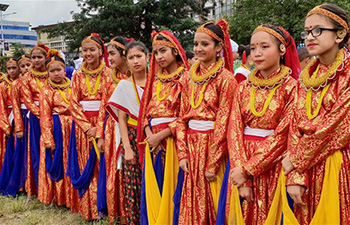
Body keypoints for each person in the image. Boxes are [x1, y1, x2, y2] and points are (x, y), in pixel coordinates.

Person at [282, 3, 350, 224]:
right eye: (307, 31)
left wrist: (295, 160)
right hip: (307, 170)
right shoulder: (307, 77)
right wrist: (295, 175)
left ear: (340, 34)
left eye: (318, 30)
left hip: (340, 167)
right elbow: (295, 126)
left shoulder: (347, 73)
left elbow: (337, 127)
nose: (310, 37)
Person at [227, 24, 300, 225]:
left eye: (264, 47)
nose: (257, 53)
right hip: (241, 165)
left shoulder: (292, 88)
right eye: (253, 48)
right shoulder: (242, 88)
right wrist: (242, 175)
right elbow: (233, 131)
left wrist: (247, 170)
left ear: (282, 50)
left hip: (274, 167)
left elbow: (283, 135)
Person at [175, 19, 237, 225]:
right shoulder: (187, 78)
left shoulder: (226, 79)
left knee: (213, 196)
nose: (198, 49)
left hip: (213, 146)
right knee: (190, 197)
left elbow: (224, 122)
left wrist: (213, 162)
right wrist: (182, 153)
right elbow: (181, 118)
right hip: (191, 146)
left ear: (219, 47)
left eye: (205, 44)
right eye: (195, 44)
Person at [138, 30, 189, 224]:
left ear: (175, 51)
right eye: (156, 52)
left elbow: (185, 115)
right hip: (152, 141)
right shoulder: (155, 79)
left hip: (174, 142)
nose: (159, 56)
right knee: (156, 186)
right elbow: (145, 112)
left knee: (174, 186)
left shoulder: (185, 78)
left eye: (163, 51)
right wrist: (150, 134)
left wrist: (161, 136)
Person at [67, 33, 111, 220]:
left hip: (102, 125)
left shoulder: (108, 73)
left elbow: (107, 102)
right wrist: (86, 127)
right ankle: (87, 209)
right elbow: (73, 103)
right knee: (84, 163)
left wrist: (98, 129)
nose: (88, 53)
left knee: (102, 166)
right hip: (82, 128)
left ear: (100, 51)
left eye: (92, 49)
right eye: (85, 50)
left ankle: (102, 208)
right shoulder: (77, 75)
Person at [106, 41, 148, 225]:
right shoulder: (124, 86)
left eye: (139, 56)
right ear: (127, 61)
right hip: (132, 136)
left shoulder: (157, 83)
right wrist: (127, 148)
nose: (135, 61)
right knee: (134, 184)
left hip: (154, 137)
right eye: (131, 58)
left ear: (147, 57)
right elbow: (121, 119)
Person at [38, 49, 78, 212]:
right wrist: (48, 138)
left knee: (72, 160)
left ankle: (72, 197)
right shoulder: (46, 91)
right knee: (58, 161)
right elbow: (44, 115)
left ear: (65, 69)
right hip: (56, 129)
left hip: (72, 128)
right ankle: (58, 197)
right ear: (48, 73)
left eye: (59, 70)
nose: (56, 74)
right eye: (52, 71)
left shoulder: (72, 86)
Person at [104, 36, 132, 224]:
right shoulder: (109, 77)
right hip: (110, 128)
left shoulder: (136, 75)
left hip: (130, 128)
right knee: (114, 168)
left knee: (128, 169)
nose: (109, 58)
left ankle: (129, 211)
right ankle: (117, 212)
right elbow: (102, 107)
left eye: (112, 54)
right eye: (108, 54)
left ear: (124, 54)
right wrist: (99, 132)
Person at [21, 42, 50, 196]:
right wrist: (43, 115)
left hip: (53, 116)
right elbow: (28, 100)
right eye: (34, 57)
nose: (37, 60)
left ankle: (54, 185)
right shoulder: (26, 78)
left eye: (40, 57)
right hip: (36, 117)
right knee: (37, 149)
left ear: (46, 58)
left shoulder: (52, 72)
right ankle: (39, 187)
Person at [0, 58, 20, 181]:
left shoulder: (23, 82)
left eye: (14, 68)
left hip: (21, 118)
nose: (12, 71)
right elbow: (1, 106)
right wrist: (5, 126)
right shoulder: (3, 85)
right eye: (9, 68)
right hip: (7, 117)